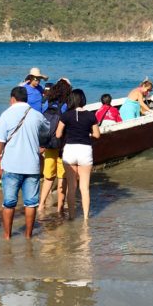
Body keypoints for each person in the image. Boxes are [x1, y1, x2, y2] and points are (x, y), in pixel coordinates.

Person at [0, 86, 49, 239]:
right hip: (32, 165)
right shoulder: (36, 115)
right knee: (30, 203)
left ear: (12, 99)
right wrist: (42, 147)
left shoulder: (5, 115)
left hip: (11, 166)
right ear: (27, 99)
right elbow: (48, 131)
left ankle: (7, 236)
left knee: (9, 203)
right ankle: (28, 236)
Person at [56, 88, 101, 221]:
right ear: (83, 99)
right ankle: (86, 218)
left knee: (71, 186)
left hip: (70, 150)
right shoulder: (91, 116)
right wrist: (87, 132)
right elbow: (97, 135)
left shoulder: (66, 115)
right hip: (85, 150)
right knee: (84, 188)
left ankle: (72, 216)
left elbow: (58, 134)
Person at [38, 79, 72, 215]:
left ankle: (41, 205)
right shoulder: (66, 104)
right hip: (62, 144)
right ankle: (60, 207)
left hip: (49, 143)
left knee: (48, 177)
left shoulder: (48, 102)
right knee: (62, 177)